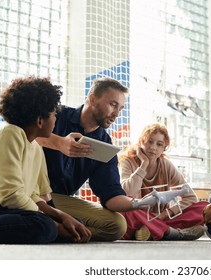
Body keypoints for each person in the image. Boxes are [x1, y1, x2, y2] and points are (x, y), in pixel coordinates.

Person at [0, 76, 91, 244]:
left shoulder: (35, 145)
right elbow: (12, 196)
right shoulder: (9, 133)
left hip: (5, 209)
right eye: (54, 114)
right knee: (43, 226)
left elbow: (32, 195)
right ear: (40, 120)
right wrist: (53, 224)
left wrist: (62, 216)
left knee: (70, 223)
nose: (56, 120)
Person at [36, 77, 139, 241]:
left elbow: (111, 194)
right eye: (113, 104)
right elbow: (22, 132)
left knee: (118, 225)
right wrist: (60, 143)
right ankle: (50, 225)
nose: (116, 114)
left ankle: (51, 227)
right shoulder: (57, 114)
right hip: (31, 193)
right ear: (92, 98)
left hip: (60, 201)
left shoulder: (105, 144)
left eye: (120, 108)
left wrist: (141, 203)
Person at [118, 123, 207, 241]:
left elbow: (190, 198)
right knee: (122, 213)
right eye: (149, 141)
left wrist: (165, 214)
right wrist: (143, 164)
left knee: (204, 208)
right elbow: (126, 193)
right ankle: (172, 233)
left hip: (161, 218)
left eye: (159, 144)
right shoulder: (128, 162)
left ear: (164, 148)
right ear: (141, 142)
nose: (153, 147)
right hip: (137, 217)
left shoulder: (166, 165)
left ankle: (152, 231)